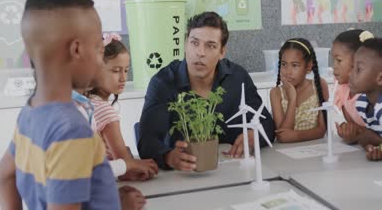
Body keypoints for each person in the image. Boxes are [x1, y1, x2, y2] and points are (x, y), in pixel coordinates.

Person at [0, 0, 120, 209]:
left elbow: (4, 176)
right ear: (77, 50)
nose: (100, 61)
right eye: (99, 50)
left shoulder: (30, 113)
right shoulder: (72, 131)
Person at [138, 11, 275, 171]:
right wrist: (168, 157)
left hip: (233, 171)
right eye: (194, 43)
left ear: (222, 52)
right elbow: (147, 141)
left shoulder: (237, 77)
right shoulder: (163, 82)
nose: (200, 52)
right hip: (183, 176)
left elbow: (266, 123)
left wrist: (254, 136)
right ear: (185, 44)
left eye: (210, 46)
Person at [87, 33, 158, 181]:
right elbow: (126, 170)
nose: (123, 78)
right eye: (116, 71)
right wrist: (140, 165)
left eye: (126, 70)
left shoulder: (88, 103)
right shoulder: (104, 111)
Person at [269, 38, 328, 142]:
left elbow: (321, 130)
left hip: (315, 149)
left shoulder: (320, 85)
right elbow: (283, 136)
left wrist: (296, 136)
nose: (288, 72)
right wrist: (292, 99)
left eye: (294, 65)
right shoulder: (276, 93)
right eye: (284, 64)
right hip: (284, 154)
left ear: (308, 66)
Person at [331, 29, 373, 144]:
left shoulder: (371, 95)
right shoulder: (342, 89)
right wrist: (349, 132)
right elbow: (355, 128)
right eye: (333, 60)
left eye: (339, 60)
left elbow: (381, 133)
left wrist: (357, 133)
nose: (333, 66)